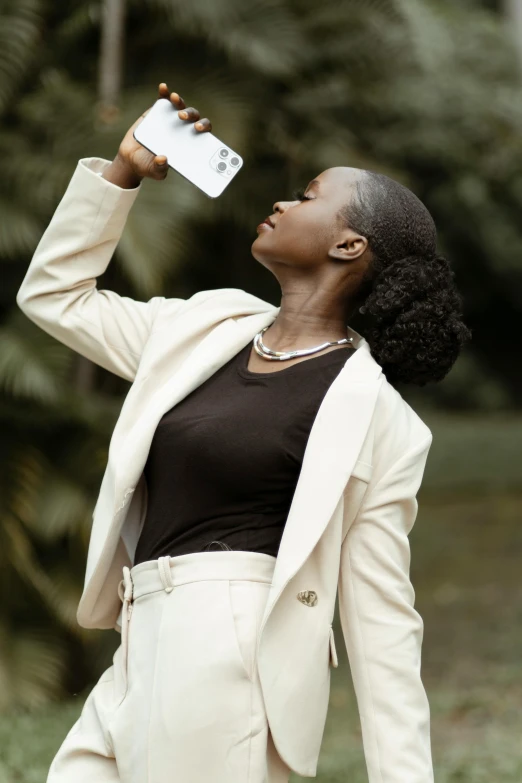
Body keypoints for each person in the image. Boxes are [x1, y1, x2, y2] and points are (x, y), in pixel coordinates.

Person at [16, 82, 471, 783]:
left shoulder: (377, 418)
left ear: (349, 245)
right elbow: (56, 296)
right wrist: (123, 173)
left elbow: (384, 624)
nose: (285, 201)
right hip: (138, 638)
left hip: (231, 660)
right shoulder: (206, 326)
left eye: (310, 194)